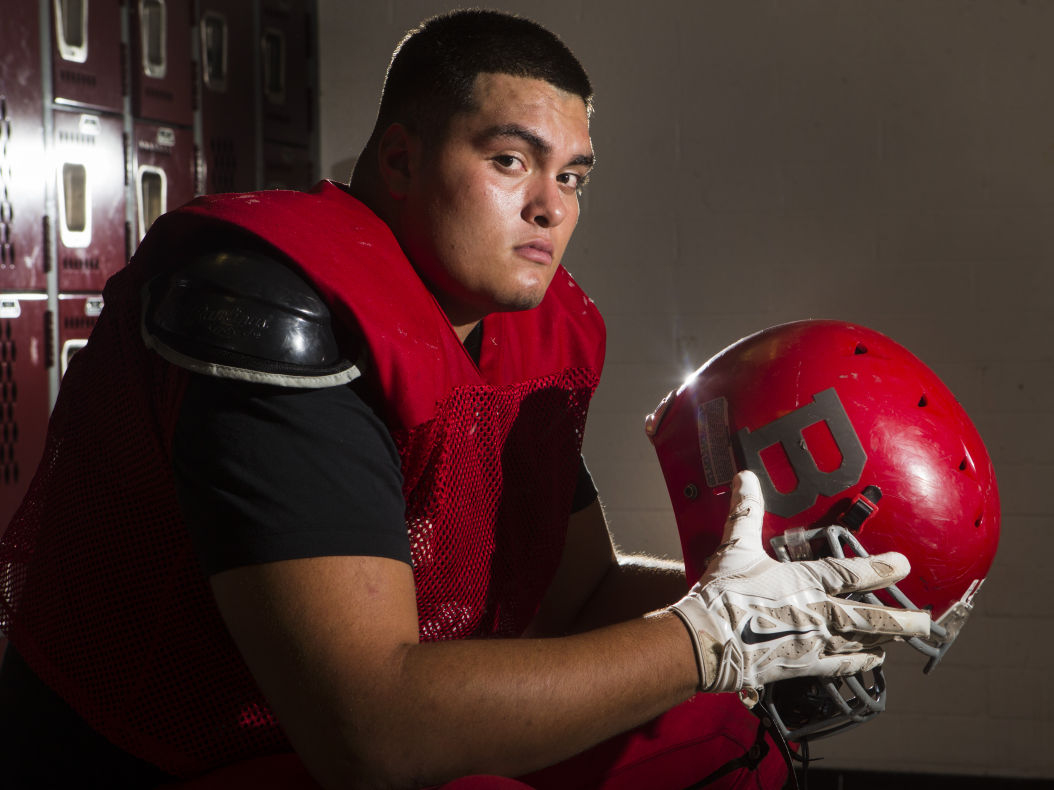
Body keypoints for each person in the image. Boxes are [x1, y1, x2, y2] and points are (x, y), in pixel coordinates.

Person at [0, 10, 928, 789]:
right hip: (158, 754)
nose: (552, 207)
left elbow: (579, 593)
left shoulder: (529, 329)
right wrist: (707, 636)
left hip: (333, 737)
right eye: (511, 160)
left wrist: (800, 602)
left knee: (722, 739)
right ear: (399, 161)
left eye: (572, 176)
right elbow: (371, 731)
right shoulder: (274, 300)